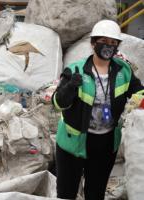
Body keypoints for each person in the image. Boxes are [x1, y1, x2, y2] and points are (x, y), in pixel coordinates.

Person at [52, 20, 144, 200]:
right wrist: (69, 88)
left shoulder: (123, 70)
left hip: (105, 144)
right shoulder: (75, 69)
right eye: (104, 41)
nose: (108, 46)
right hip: (72, 144)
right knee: (66, 193)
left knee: (96, 193)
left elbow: (139, 91)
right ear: (93, 43)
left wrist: (138, 102)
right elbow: (57, 103)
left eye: (113, 43)